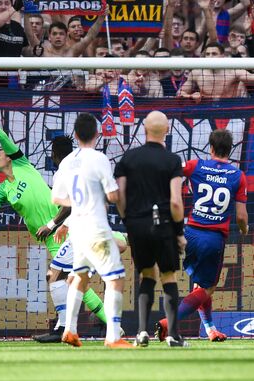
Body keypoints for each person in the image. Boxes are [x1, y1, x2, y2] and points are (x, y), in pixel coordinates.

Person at [0, 96, 110, 343]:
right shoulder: (1, 190)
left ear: (9, 157)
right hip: (49, 238)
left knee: (61, 278)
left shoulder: (22, 164)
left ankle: (67, 328)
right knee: (71, 280)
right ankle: (97, 325)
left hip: (64, 229)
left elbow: (3, 138)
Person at [156, 129, 249, 343]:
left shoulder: (196, 165)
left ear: (211, 148)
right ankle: (168, 322)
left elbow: (173, 172)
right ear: (230, 150)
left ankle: (210, 329)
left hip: (190, 234)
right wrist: (243, 230)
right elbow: (242, 217)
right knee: (208, 288)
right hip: (213, 239)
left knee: (201, 286)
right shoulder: (237, 176)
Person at [50, 113, 131, 349]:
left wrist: (64, 221)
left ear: (75, 136)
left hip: (77, 229)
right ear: (97, 134)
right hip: (95, 227)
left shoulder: (65, 163)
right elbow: (112, 195)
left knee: (78, 277)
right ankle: (114, 336)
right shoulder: (99, 159)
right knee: (114, 279)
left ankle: (70, 331)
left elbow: (57, 197)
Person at [114, 110, 188, 347]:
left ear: (144, 128)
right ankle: (173, 335)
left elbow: (120, 197)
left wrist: (129, 222)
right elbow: (176, 201)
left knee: (146, 274)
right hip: (164, 224)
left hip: (137, 224)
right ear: (167, 131)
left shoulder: (128, 159)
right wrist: (179, 232)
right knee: (168, 275)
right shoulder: (173, 161)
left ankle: (142, 332)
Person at [178, 42, 254, 100]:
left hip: (231, 111)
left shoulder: (234, 72)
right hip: (206, 111)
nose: (210, 57)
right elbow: (180, 93)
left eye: (214, 54)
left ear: (222, 56)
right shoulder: (196, 73)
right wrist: (191, 96)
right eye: (207, 54)